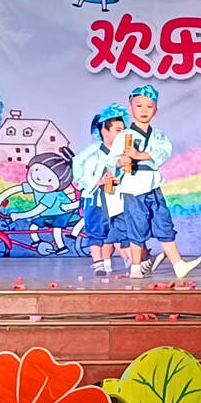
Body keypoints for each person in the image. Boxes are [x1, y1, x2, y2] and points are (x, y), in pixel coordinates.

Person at [116, 83, 201, 279]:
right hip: (133, 187)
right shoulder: (124, 136)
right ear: (130, 109)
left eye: (149, 106)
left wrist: (139, 155)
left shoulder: (158, 136)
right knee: (137, 226)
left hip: (153, 185)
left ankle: (178, 265)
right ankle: (135, 267)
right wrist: (122, 161)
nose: (144, 110)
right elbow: (113, 161)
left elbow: (163, 153)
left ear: (155, 110)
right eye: (139, 106)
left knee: (164, 223)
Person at [73, 106, 128, 277]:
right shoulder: (93, 154)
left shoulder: (122, 154)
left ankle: (127, 260)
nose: (122, 134)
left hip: (116, 198)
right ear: (104, 131)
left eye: (123, 130)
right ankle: (98, 263)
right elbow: (81, 173)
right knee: (96, 230)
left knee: (119, 229)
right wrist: (98, 181)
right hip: (96, 197)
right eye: (118, 130)